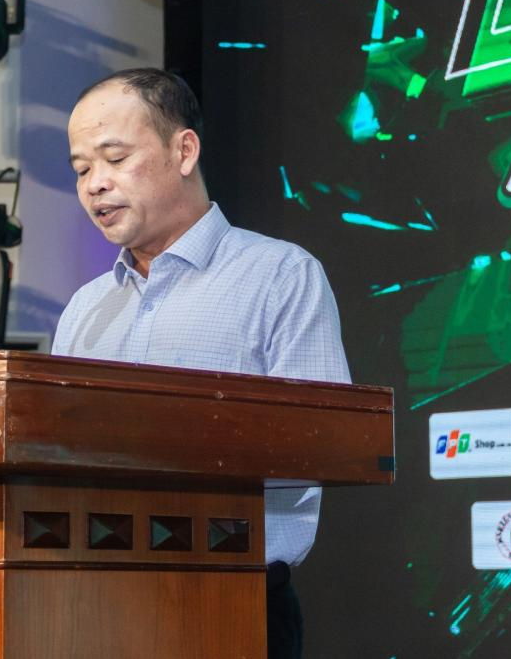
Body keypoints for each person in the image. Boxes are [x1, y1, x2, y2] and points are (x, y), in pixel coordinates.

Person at [51, 68, 351, 659]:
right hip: (93, 604)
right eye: (82, 170)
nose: (95, 185)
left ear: (183, 151)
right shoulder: (85, 308)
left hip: (232, 601)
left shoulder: (280, 276)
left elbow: (325, 445)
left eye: (115, 158)